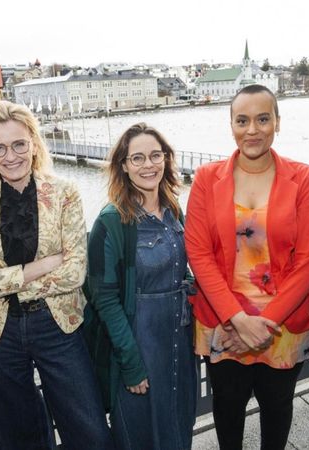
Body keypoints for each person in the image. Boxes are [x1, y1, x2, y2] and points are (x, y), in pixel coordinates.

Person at [0, 101, 113, 450]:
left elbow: (74, 272)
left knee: (89, 430)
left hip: (57, 324)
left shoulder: (64, 192)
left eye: (18, 144)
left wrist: (1, 277)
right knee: (18, 435)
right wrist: (38, 267)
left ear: (34, 143)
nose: (10, 156)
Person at [185, 84, 309, 450]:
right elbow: (198, 253)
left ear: (277, 122)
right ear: (230, 124)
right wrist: (236, 318)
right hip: (225, 320)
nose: (253, 130)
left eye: (263, 119)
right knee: (227, 409)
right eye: (242, 120)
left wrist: (267, 321)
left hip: (282, 322)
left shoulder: (303, 178)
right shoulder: (205, 178)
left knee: (277, 407)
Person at [84, 123, 196, 450]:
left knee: (179, 425)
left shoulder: (174, 209)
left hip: (179, 340)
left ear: (166, 159)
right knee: (141, 435)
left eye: (155, 155)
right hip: (140, 345)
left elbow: (182, 268)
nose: (148, 165)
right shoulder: (112, 220)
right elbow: (105, 300)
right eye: (137, 158)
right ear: (123, 166)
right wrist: (131, 365)